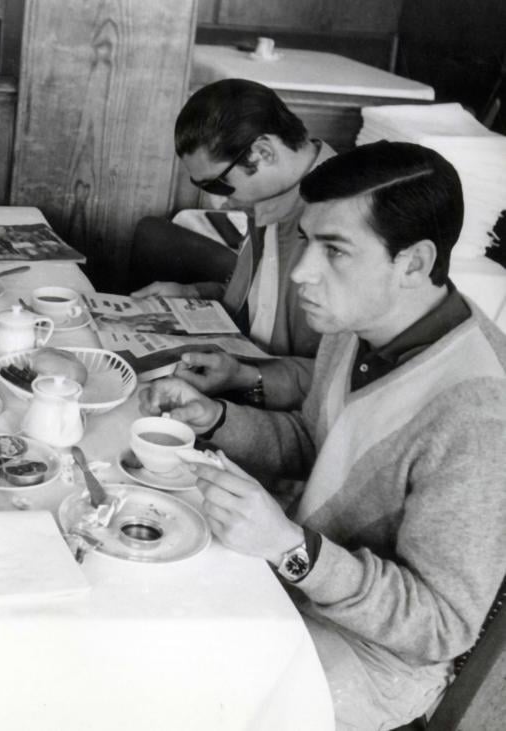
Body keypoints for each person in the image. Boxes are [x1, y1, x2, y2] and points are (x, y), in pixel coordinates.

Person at [139, 141, 506, 730]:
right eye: (306, 240)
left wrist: (292, 550)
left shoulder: (480, 415)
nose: (303, 272)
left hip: (376, 658)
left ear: (412, 262)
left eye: (334, 249)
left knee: (171, 697)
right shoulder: (358, 323)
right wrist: (218, 420)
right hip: (294, 584)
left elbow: (440, 626)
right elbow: (320, 444)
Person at [129, 79, 334, 409]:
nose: (217, 202)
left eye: (219, 185)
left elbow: (344, 379)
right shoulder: (273, 194)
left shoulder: (343, 219)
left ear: (263, 152)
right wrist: (194, 294)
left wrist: (246, 377)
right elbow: (260, 301)